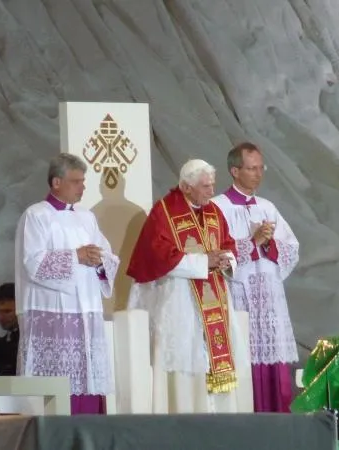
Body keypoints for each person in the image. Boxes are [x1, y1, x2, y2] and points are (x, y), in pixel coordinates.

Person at [127, 159, 247, 413]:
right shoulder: (164, 212)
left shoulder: (214, 211)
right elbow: (157, 255)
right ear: (186, 186)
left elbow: (229, 244)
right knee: (185, 359)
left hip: (215, 295)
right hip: (180, 300)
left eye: (212, 185)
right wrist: (204, 261)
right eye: (205, 186)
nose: (211, 191)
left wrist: (227, 260)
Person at [15, 153, 120, 415]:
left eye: (83, 181)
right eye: (76, 181)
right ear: (56, 182)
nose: (83, 187)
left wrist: (99, 260)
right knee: (60, 389)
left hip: (86, 309)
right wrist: (76, 256)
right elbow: (33, 263)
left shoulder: (87, 217)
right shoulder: (36, 216)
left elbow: (106, 253)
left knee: (88, 383)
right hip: (54, 313)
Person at [212, 142, 300, 413]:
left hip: (269, 299)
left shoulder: (267, 207)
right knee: (244, 361)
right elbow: (215, 256)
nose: (258, 174)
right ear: (235, 171)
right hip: (238, 298)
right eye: (252, 168)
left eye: (261, 167)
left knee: (274, 364)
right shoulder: (217, 208)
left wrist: (269, 245)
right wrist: (252, 242)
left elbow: (291, 249)